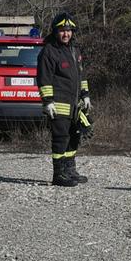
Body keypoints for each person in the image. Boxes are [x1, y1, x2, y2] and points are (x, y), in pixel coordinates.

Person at [36, 12, 90, 187]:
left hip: (75, 105)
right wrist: (48, 101)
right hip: (58, 105)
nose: (66, 34)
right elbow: (44, 78)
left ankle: (69, 170)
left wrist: (86, 95)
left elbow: (81, 75)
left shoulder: (74, 50)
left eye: (69, 30)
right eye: (62, 31)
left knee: (74, 137)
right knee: (61, 138)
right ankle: (58, 174)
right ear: (54, 31)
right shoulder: (49, 52)